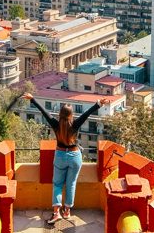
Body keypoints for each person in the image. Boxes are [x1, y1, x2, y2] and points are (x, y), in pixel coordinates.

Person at [27, 96, 100, 224]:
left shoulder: (55, 124)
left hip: (60, 155)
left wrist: (32, 100)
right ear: (71, 115)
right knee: (71, 184)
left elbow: (44, 111)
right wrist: (98, 104)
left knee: (58, 184)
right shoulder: (75, 124)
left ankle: (56, 213)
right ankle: (67, 211)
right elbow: (86, 114)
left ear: (60, 114)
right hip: (74, 156)